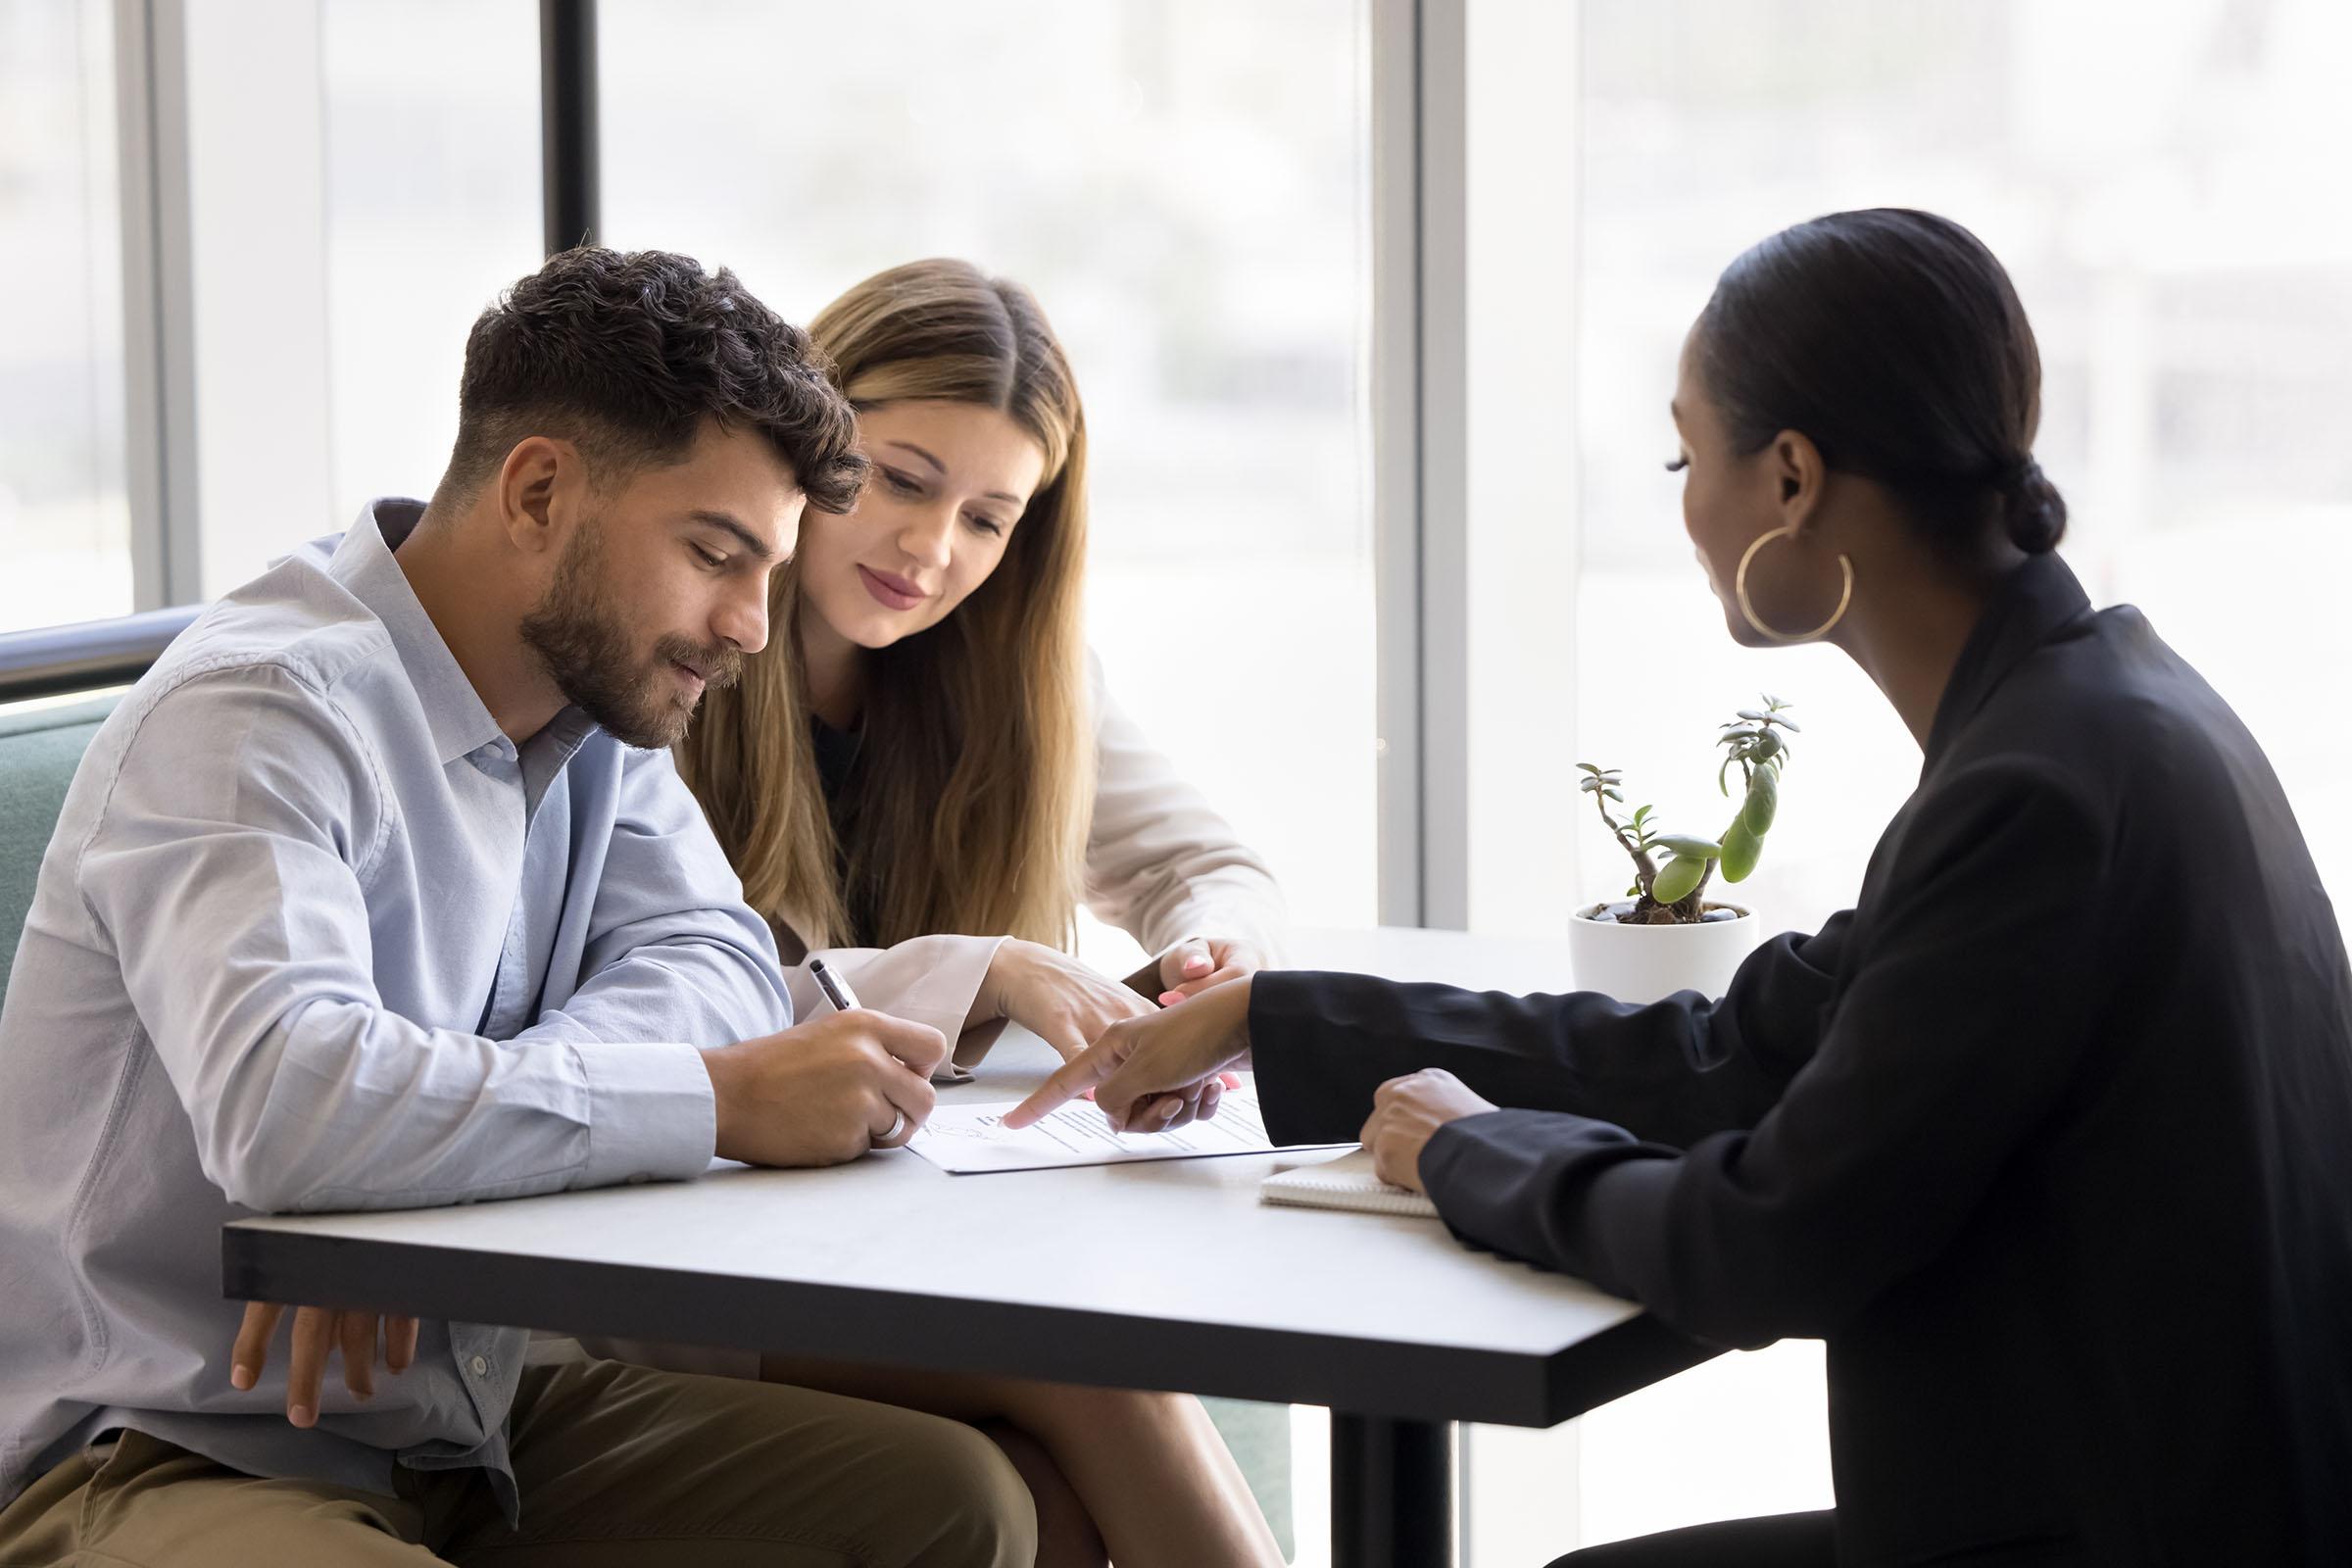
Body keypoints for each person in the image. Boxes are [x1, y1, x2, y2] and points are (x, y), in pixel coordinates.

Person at [1008, 209, 2352, 1565]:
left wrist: (1471, 1150)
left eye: (1683, 454)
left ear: (1791, 481)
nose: (1684, 508)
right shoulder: (2097, 717)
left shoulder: (2038, 794)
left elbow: (1772, 1242)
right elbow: (1729, 1054)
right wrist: (1271, 1018)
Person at [0, 246, 1037, 1566]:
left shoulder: (595, 702)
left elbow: (718, 958)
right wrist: (720, 1101)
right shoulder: (261, 709)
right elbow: (291, 1107)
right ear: (540, 489)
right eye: (717, 554)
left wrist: (410, 1194)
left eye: (768, 569)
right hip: (160, 1441)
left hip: (459, 1417)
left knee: (955, 1503)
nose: (753, 627)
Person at [642, 258, 1289, 1568]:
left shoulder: (1015, 676)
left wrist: (1217, 964)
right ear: (807, 446)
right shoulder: (670, 657)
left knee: (1046, 1511)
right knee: (1096, 1374)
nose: (932, 554)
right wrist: (983, 970)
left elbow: (1209, 865)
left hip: (902, 1233)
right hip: (680, 1253)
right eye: (903, 480)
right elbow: (684, 1012)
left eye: (991, 520)